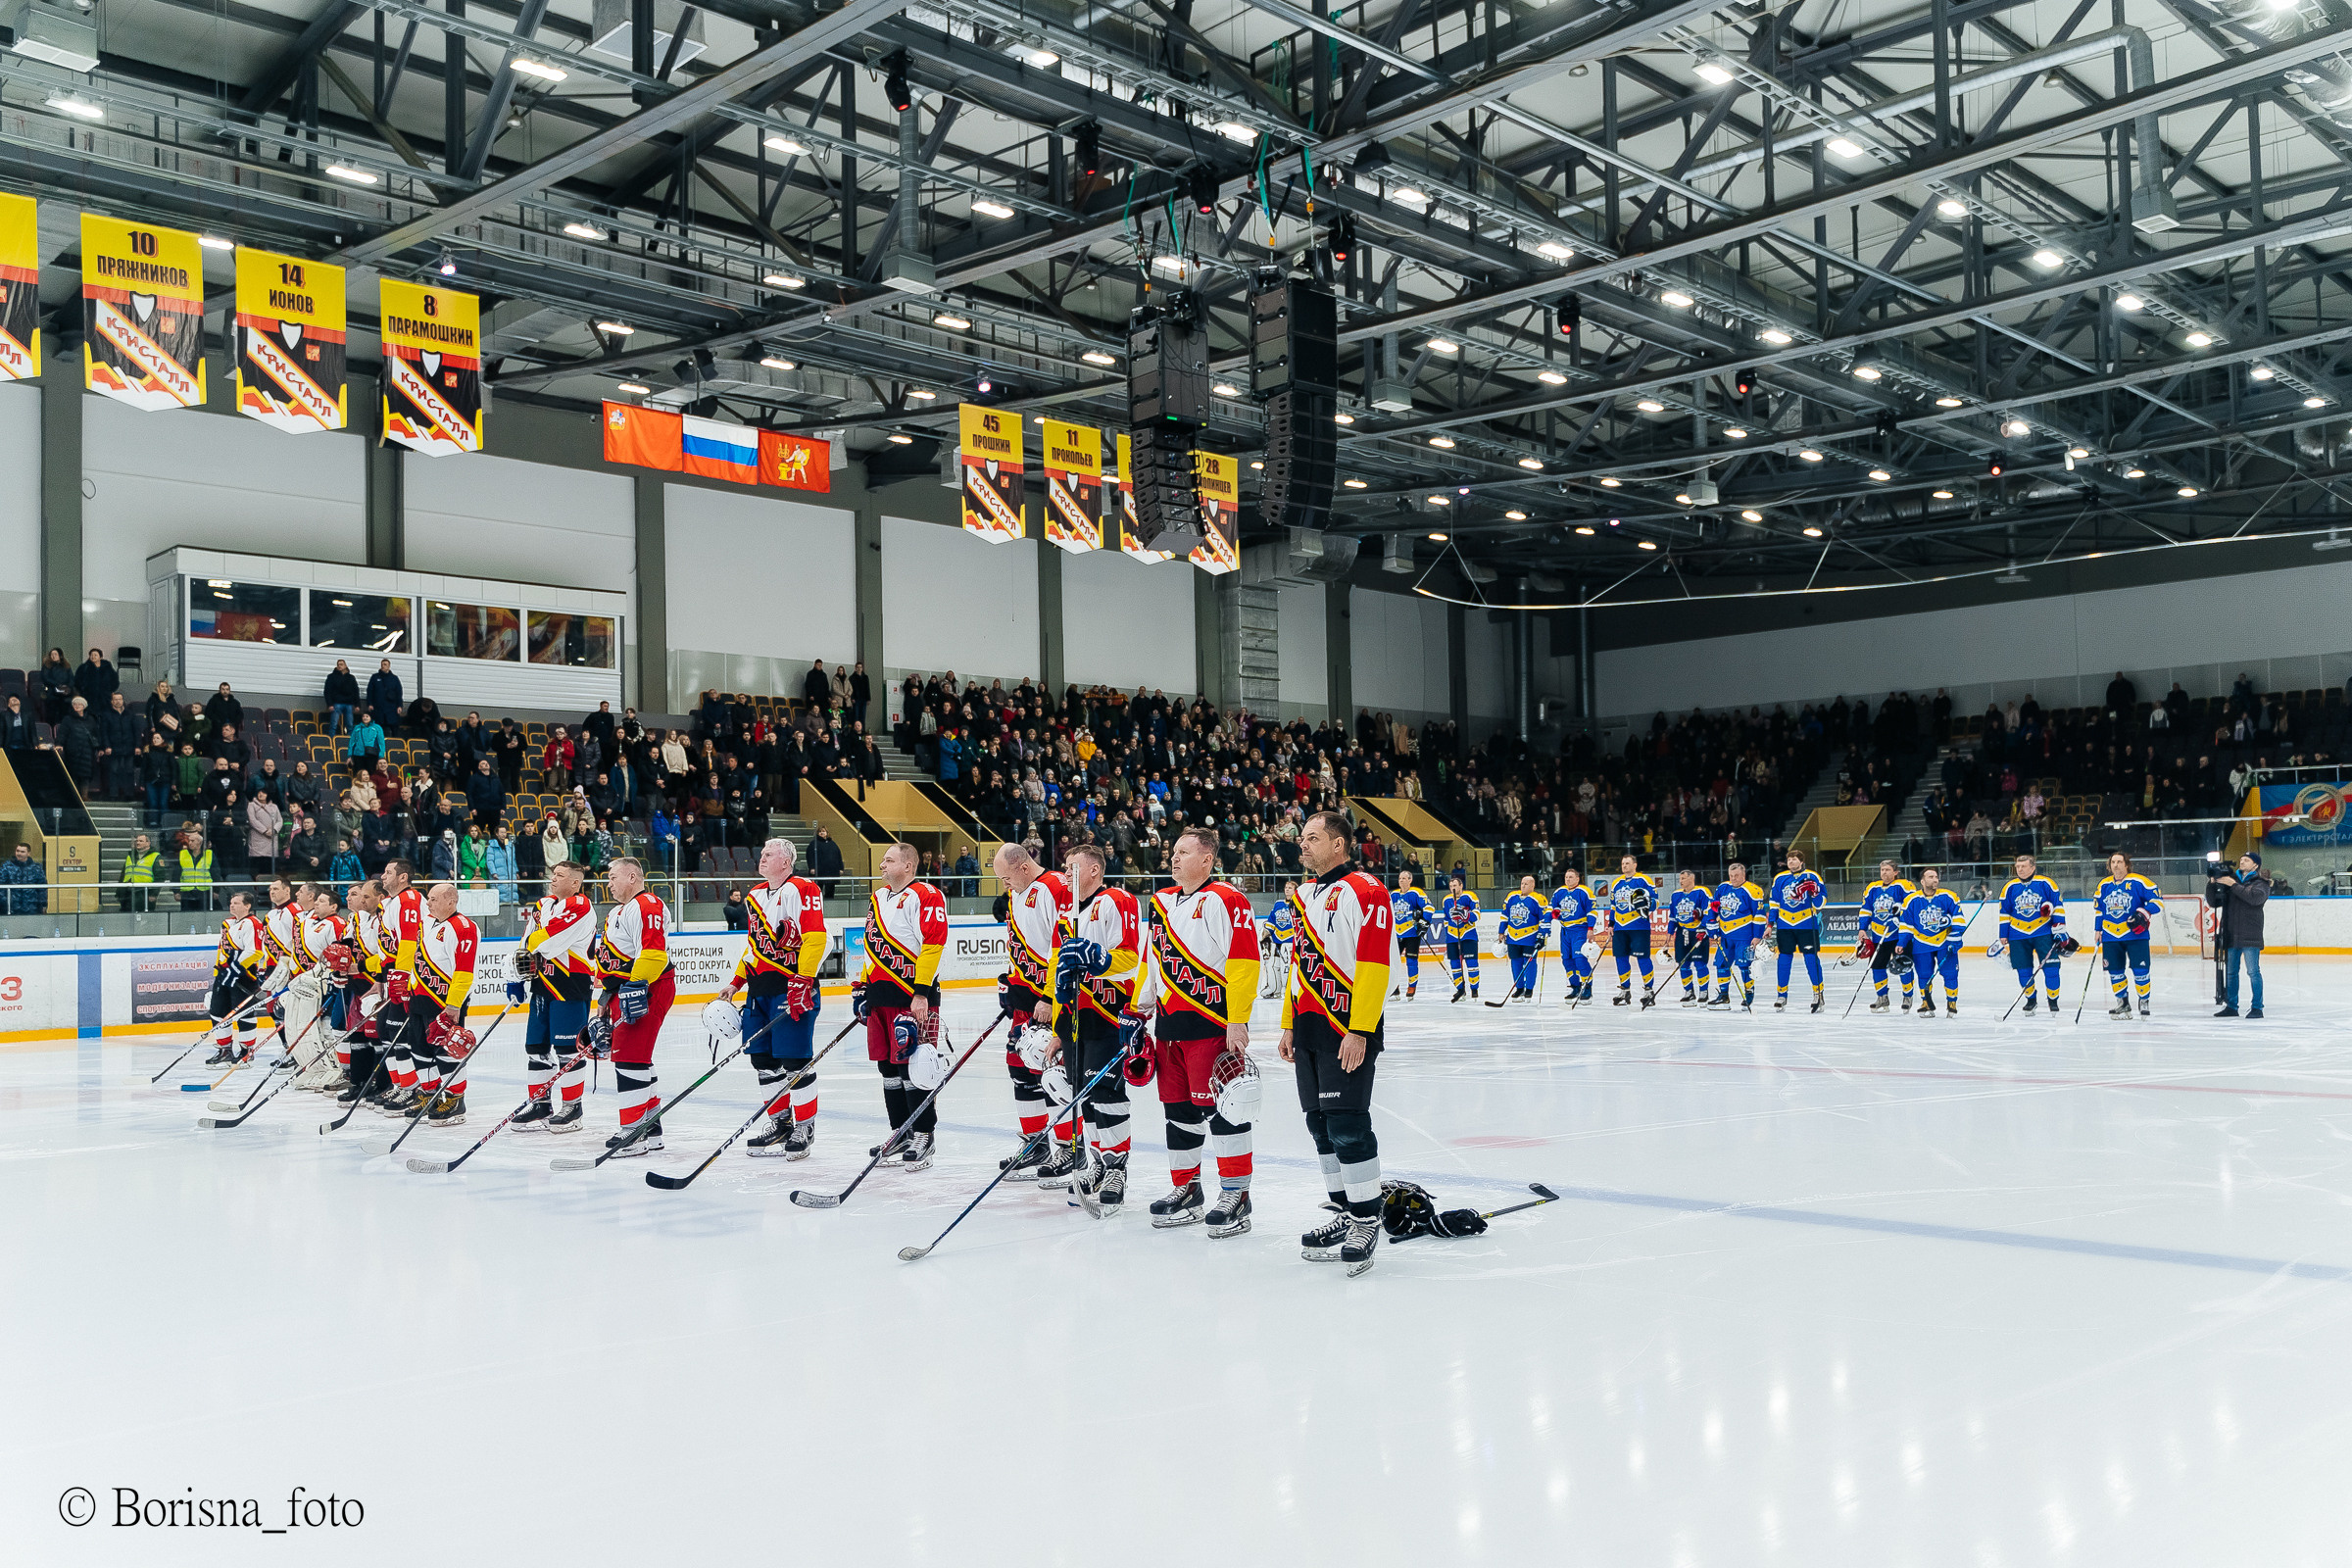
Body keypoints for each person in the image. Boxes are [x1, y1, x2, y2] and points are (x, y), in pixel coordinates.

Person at [1279, 810, 1394, 1277]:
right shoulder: (1305, 894)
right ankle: (1346, 1210)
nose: (1301, 845)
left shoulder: (1367, 891)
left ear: (1339, 846)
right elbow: (1297, 965)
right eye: (1302, 838)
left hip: (1346, 1027)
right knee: (1319, 1126)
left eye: (1311, 838)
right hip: (1307, 1027)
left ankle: (1367, 1219)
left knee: (1347, 1124)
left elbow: (1373, 965)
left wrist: (1360, 1029)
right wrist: (1287, 1023)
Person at [1137, 824, 1262, 1237]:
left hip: (1211, 1027)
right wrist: (1139, 1009)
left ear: (1207, 860)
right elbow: (1149, 959)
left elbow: (1244, 962)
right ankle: (1187, 1189)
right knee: (1179, 1114)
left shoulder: (1227, 899)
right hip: (1168, 1028)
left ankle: (1236, 1193)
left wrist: (1238, 1019)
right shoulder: (1159, 902)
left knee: (1224, 1112)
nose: (1174, 857)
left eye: (1184, 852)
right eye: (1173, 851)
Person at [1042, 843, 1144, 1211]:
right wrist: (1057, 1027)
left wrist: (1099, 959)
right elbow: (1057, 975)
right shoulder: (1064, 914)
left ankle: (1117, 1167)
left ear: (1095, 871)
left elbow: (1133, 958)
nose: (1065, 874)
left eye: (1072, 868)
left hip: (1110, 1015)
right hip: (1074, 1021)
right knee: (1083, 1094)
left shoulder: (1117, 900)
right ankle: (1098, 1161)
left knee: (1107, 1095)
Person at [719, 838, 828, 1157]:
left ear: (787, 860)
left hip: (790, 987)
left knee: (795, 1061)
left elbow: (815, 938)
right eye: (762, 852)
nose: (762, 857)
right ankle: (780, 1123)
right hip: (759, 990)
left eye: (769, 854)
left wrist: (803, 979)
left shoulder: (803, 889)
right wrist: (738, 980)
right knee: (763, 1062)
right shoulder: (753, 895)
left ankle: (805, 1127)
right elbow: (754, 947)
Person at [856, 843, 950, 1165]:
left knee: (916, 1067)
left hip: (912, 997)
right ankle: (900, 1131)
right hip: (880, 996)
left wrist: (921, 992)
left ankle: (924, 1133)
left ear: (908, 866)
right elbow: (870, 945)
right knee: (888, 1069)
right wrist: (864, 988)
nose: (882, 864)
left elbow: (933, 944)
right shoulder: (878, 897)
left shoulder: (926, 894)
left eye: (889, 860)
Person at [991, 842, 1072, 1167]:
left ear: (1023, 866)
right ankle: (1035, 1144)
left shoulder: (1054, 888)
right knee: (1019, 1069)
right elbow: (1019, 944)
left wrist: (1052, 997)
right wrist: (1008, 985)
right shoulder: (1015, 894)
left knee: (1052, 1070)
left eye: (1005, 878)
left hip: (1051, 1000)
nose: (1004, 885)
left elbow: (1063, 946)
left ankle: (1069, 1147)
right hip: (1025, 999)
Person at [508, 859, 597, 1133]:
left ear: (575, 882)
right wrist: (514, 975)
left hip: (570, 983)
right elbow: (526, 941)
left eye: (560, 875)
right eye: (553, 874)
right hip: (541, 982)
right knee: (536, 1047)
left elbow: (548, 940)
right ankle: (540, 1104)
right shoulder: (543, 905)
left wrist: (534, 944)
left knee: (568, 1049)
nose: (553, 878)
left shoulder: (581, 906)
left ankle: (572, 1108)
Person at [596, 858, 677, 1152]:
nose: (609, 884)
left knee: (630, 1059)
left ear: (632, 876)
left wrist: (634, 988)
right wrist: (605, 997)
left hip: (647, 989)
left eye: (613, 877)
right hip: (626, 990)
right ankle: (650, 1130)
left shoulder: (647, 904)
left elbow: (654, 955)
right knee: (637, 1059)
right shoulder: (617, 912)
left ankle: (632, 1133)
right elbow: (609, 961)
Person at [401, 882, 482, 1127]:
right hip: (420, 998)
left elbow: (464, 971)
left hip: (444, 1001)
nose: (428, 903)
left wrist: (454, 1006)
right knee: (419, 1049)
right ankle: (430, 1095)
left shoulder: (464, 927)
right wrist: (408, 990)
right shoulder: (426, 922)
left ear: (451, 901)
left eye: (434, 899)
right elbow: (417, 958)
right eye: (428, 898)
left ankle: (456, 1100)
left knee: (447, 1051)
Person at [1991, 853, 2072, 1013]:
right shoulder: (2009, 887)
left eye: (2023, 866)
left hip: (2043, 932)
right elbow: (2004, 912)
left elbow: (2058, 906)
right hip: (2017, 934)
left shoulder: (2046, 883)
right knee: (2023, 969)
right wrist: (2003, 934)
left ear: (2033, 867)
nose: (2020, 869)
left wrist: (2059, 928)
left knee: (2051, 968)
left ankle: (2053, 1000)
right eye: (2017, 867)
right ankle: (2031, 999)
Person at [2092, 851, 2163, 1018]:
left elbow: (2157, 902)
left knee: (2140, 970)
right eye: (2113, 862)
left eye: (2119, 862)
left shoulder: (2139, 881)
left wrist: (2143, 913)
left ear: (2126, 864)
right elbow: (2099, 910)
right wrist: (2098, 929)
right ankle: (2122, 1003)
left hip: (2135, 935)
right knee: (2115, 971)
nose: (2115, 865)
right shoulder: (2104, 884)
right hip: (2110, 935)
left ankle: (2144, 1000)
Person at [202, 891, 270, 1065]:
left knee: (244, 1013)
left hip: (242, 976)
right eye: (231, 903)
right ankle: (224, 1051)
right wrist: (219, 971)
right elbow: (222, 950)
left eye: (237, 903)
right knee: (217, 1011)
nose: (232, 905)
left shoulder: (252, 923)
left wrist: (235, 968)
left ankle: (247, 1051)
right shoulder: (228, 923)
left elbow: (255, 951)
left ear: (247, 906)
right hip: (224, 975)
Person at [2211, 851, 2273, 1019]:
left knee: (2253, 972)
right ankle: (2231, 1006)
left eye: (2247, 860)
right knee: (2231, 972)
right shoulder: (2232, 881)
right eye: (2241, 859)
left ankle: (2257, 1007)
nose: (2242, 862)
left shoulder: (2261, 883)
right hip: (2231, 934)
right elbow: (2213, 901)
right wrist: (2212, 883)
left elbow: (2254, 899)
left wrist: (2233, 885)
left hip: (2250, 934)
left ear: (2255, 865)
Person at [1853, 859, 1920, 1013]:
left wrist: (1900, 914)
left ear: (1895, 872)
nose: (1884, 872)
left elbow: (1912, 904)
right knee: (1877, 967)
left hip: (1899, 934)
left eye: (1888, 870)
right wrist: (1863, 928)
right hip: (1878, 934)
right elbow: (1866, 909)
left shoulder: (1904, 885)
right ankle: (1882, 998)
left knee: (1903, 965)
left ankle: (1907, 997)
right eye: (1882, 870)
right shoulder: (1872, 888)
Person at [1898, 868, 1967, 1015]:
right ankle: (1926, 1002)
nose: (1935, 879)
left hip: (1944, 942)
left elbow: (1959, 917)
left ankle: (1952, 1002)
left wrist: (1956, 935)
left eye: (1936, 877)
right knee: (1923, 974)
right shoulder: (1911, 900)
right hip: (1921, 943)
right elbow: (1906, 924)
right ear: (1922, 881)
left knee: (1950, 973)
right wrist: (1902, 943)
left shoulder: (1949, 896)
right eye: (1931, 877)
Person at [1769, 850, 1827, 1011]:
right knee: (1784, 959)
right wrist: (1770, 924)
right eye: (1789, 860)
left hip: (1807, 924)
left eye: (1794, 859)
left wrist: (1814, 892)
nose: (1791, 862)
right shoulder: (1780, 878)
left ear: (1801, 861)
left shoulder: (1812, 876)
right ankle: (1781, 995)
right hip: (1785, 924)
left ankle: (1818, 994)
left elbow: (1820, 904)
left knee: (1811, 959)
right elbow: (1774, 902)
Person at [1605, 853, 1659, 1006]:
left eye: (1627, 863)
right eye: (1623, 863)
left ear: (1635, 865)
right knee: (1620, 958)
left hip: (1638, 925)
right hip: (1620, 927)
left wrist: (1646, 905)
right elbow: (1613, 906)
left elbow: (1655, 901)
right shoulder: (1616, 883)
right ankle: (1625, 990)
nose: (1624, 866)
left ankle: (1649, 991)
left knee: (1642, 958)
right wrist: (1611, 924)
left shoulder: (1644, 880)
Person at [1709, 863, 1765, 1009]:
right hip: (1725, 936)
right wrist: (1712, 928)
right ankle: (1723, 995)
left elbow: (1759, 915)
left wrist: (1757, 935)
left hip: (1744, 936)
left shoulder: (1753, 890)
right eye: (1731, 876)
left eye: (1737, 876)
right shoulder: (1722, 888)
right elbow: (1714, 908)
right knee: (1721, 964)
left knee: (1744, 965)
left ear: (1743, 875)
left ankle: (1749, 992)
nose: (1733, 879)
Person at [1663, 869, 1711, 1005]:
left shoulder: (1702, 892)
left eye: (1684, 878)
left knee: (1699, 963)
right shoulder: (1676, 895)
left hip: (1698, 932)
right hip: (1681, 932)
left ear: (1692, 878)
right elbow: (1672, 917)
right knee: (1683, 964)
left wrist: (1703, 927)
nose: (1681, 881)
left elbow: (1708, 912)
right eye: (1680, 878)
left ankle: (1704, 991)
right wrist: (1669, 932)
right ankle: (1688, 992)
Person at [1550, 866, 1597, 1004]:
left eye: (1571, 877)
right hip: (1565, 931)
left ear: (1578, 878)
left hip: (1580, 930)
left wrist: (1590, 928)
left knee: (1579, 959)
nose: (1568, 879)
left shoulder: (1584, 892)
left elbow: (1592, 911)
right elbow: (1554, 907)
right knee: (1567, 960)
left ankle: (1587, 987)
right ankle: (1575, 987)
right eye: (1566, 877)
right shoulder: (1559, 892)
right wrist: (1554, 914)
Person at [1500, 874, 1546, 1001]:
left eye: (1526, 884)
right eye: (1522, 883)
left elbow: (1544, 919)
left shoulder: (1538, 899)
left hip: (1530, 936)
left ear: (1533, 885)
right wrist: (1501, 931)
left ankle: (1529, 989)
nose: (1523, 886)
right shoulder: (1511, 897)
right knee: (1515, 963)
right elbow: (1505, 916)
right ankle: (1519, 988)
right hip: (1513, 937)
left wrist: (1542, 936)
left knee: (1529, 963)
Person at [1388, 868, 1432, 1000]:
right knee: (1393, 962)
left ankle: (1411, 987)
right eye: (1400, 878)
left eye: (1404, 878)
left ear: (1410, 880)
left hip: (1412, 932)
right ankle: (1394, 990)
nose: (1401, 881)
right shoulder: (1393, 894)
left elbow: (1429, 907)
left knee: (1411, 961)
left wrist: (1424, 922)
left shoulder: (1416, 893)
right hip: (1396, 933)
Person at [1439, 873, 1481, 1002]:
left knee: (1472, 963)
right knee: (1455, 964)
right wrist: (1448, 936)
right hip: (1452, 936)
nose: (1453, 888)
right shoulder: (1446, 900)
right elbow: (1446, 919)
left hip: (1468, 934)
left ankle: (1474, 989)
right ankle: (1460, 990)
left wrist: (1465, 915)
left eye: (1455, 885)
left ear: (1461, 886)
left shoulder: (1470, 896)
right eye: (1451, 886)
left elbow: (1477, 914)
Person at [1260, 880, 1298, 999]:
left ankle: (1288, 991)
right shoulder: (1278, 904)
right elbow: (1272, 920)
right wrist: (1266, 932)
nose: (1287, 889)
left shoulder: (1299, 904)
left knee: (1286, 968)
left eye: (1290, 888)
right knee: (1274, 966)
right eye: (1286, 887)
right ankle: (1274, 990)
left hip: (1290, 942)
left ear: (1295, 890)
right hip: (1277, 941)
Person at [117, 832, 161, 912]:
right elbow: (123, 875)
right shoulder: (131, 856)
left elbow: (160, 877)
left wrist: (154, 893)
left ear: (148, 843)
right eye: (137, 841)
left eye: (141, 841)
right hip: (128, 893)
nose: (137, 843)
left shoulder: (155, 856)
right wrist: (119, 891)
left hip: (144, 893)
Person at [0, 841, 44, 915]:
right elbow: (1, 886)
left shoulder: (36, 868)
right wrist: (5, 903)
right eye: (17, 851)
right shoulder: (6, 867)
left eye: (22, 851)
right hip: (12, 908)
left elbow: (42, 888)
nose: (19, 853)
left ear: (28, 853)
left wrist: (43, 905)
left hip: (32, 908)